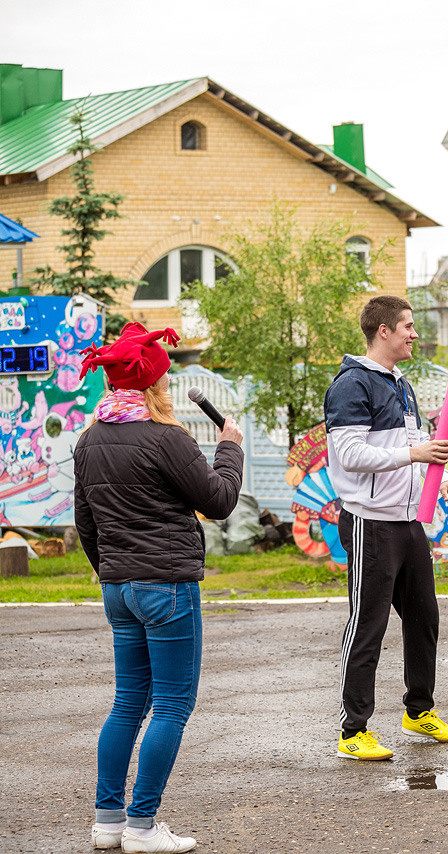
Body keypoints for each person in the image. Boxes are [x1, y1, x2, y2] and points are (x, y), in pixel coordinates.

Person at [76, 323, 244, 854]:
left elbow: (85, 523)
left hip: (119, 587)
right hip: (166, 585)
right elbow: (218, 502)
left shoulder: (88, 441)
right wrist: (230, 450)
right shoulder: (167, 438)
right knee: (171, 704)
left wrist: (111, 573)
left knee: (128, 701)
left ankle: (108, 822)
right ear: (152, 384)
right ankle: (143, 826)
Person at [325, 295, 448, 761]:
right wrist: (414, 456)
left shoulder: (400, 384)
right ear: (382, 331)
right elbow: (349, 456)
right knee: (368, 623)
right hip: (371, 523)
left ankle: (419, 710)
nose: (414, 333)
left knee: (425, 618)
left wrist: (440, 477)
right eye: (407, 326)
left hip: (409, 522)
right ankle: (353, 730)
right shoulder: (352, 385)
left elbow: (417, 443)